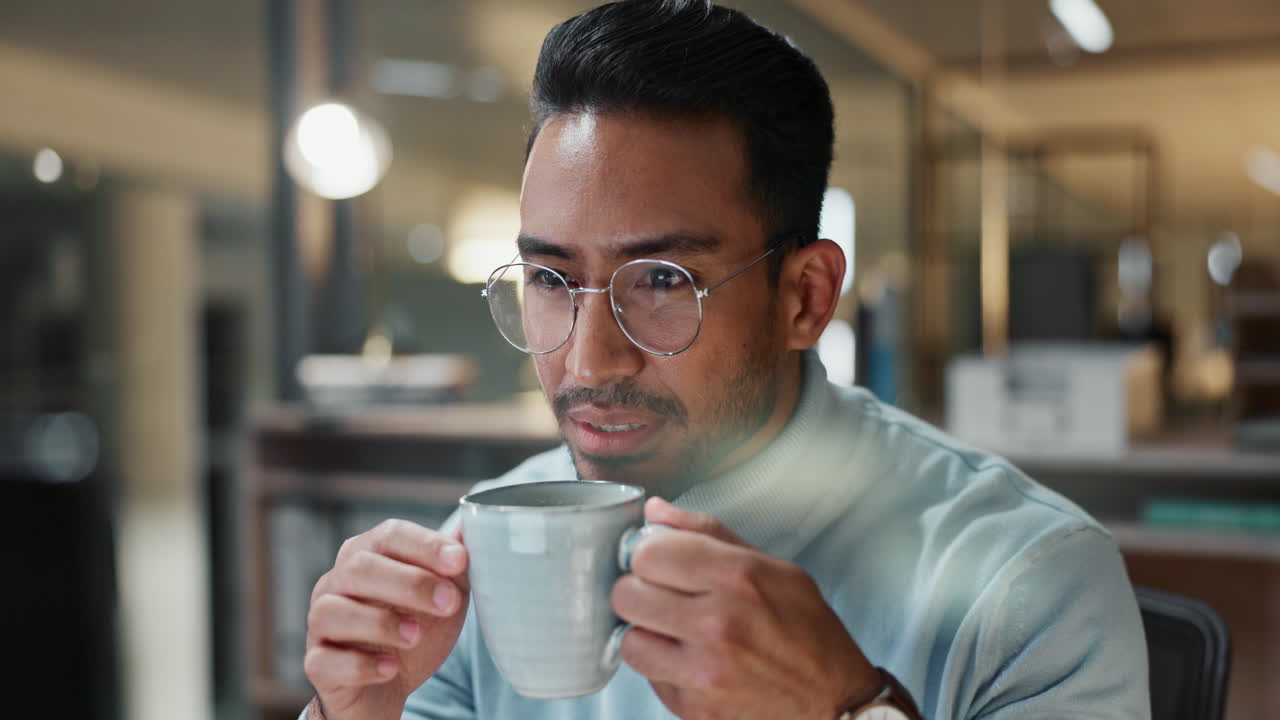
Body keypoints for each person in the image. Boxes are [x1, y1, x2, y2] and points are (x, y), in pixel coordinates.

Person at [300, 1, 1150, 718]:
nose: (589, 362)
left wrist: (849, 708)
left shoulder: (1031, 585)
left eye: (661, 280)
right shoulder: (481, 556)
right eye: (552, 280)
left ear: (806, 298)